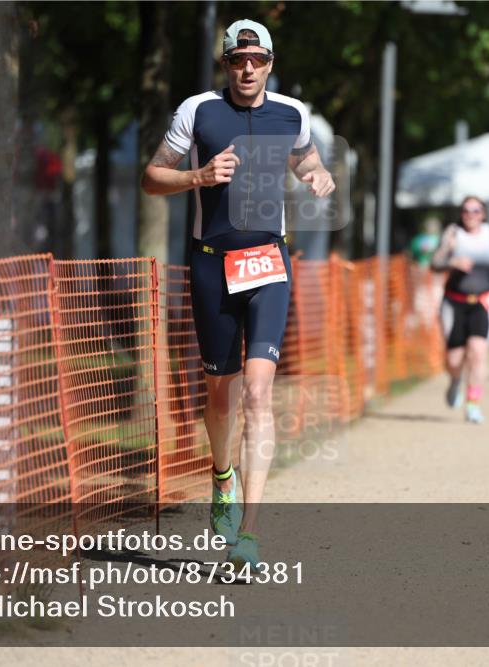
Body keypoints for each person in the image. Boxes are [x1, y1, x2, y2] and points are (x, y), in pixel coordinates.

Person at [141, 19, 335, 569]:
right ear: (224, 64)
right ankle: (221, 474)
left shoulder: (291, 113)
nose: (247, 68)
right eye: (237, 60)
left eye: (257, 59)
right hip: (211, 265)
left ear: (270, 63)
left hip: (268, 262)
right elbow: (152, 177)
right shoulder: (197, 110)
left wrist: (318, 174)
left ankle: (248, 531)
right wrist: (197, 177)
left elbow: (305, 157)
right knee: (220, 393)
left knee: (256, 393)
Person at [431, 196, 489, 424]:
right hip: (454, 301)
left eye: (476, 210)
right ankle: (455, 381)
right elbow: (434, 262)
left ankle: (473, 404)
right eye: (466, 210)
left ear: (483, 214)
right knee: (454, 360)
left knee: (478, 353)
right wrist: (451, 261)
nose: (471, 215)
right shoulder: (453, 233)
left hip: (483, 302)